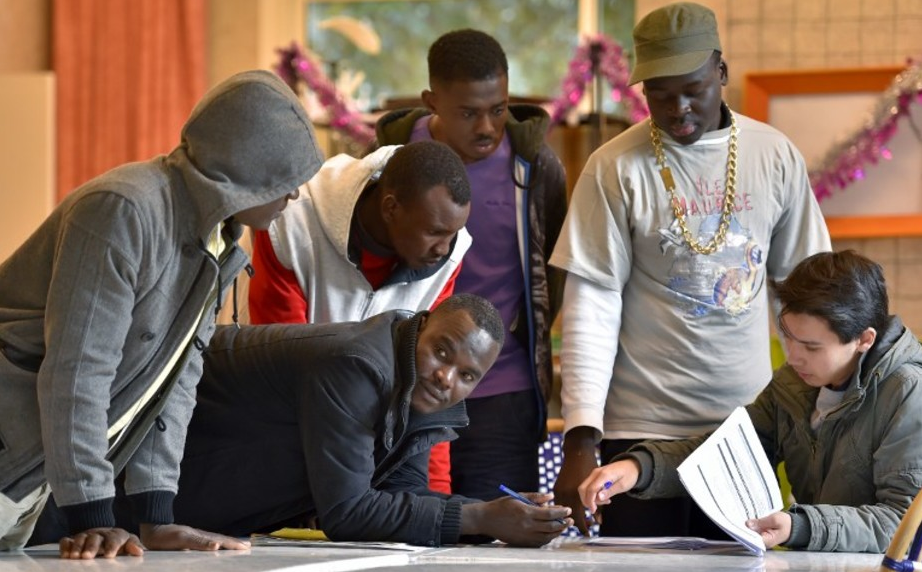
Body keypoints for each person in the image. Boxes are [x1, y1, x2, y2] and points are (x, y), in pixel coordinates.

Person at [0, 69, 323, 558]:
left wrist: (156, 516)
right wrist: (93, 514)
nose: (293, 196)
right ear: (243, 172)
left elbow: (173, 381)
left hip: (26, 480)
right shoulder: (123, 209)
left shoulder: (219, 241)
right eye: (284, 180)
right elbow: (78, 369)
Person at [549, 1, 831, 537]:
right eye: (658, 93)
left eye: (692, 89)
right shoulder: (612, 167)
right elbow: (592, 306)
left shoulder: (775, 156)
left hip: (745, 430)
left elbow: (807, 293)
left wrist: (819, 407)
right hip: (636, 434)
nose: (677, 107)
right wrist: (581, 440)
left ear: (720, 73)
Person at [578, 250, 922, 553]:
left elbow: (902, 523)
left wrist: (801, 526)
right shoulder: (794, 385)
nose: (794, 357)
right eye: (788, 337)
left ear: (864, 339)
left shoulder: (907, 391)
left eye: (812, 347)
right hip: (820, 561)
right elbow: (723, 454)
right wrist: (640, 468)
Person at [171, 293, 572, 547]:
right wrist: (481, 517)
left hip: (201, 517)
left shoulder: (422, 392)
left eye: (467, 376)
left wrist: (501, 515)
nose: (445, 378)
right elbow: (347, 512)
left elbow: (403, 492)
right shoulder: (357, 365)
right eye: (442, 352)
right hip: (145, 486)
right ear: (424, 325)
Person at [369, 28, 568, 502]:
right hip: (408, 386)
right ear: (432, 100)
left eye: (498, 109)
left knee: (499, 538)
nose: (486, 127)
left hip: (504, 390)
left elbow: (555, 275)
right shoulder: (389, 162)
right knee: (408, 525)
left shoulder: (535, 169)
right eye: (468, 112)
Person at [247, 139, 471, 494]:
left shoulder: (447, 254)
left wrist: (437, 494)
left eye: (453, 233)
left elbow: (430, 389)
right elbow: (278, 373)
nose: (445, 248)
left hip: (372, 459)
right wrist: (307, 491)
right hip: (281, 449)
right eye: (434, 233)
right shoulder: (290, 220)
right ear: (391, 207)